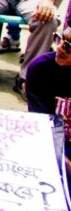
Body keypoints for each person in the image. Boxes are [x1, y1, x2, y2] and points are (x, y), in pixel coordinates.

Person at [24, 26, 71, 177]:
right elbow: (41, 124)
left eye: (68, 47)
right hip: (51, 140)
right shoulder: (40, 68)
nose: (60, 47)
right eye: (60, 38)